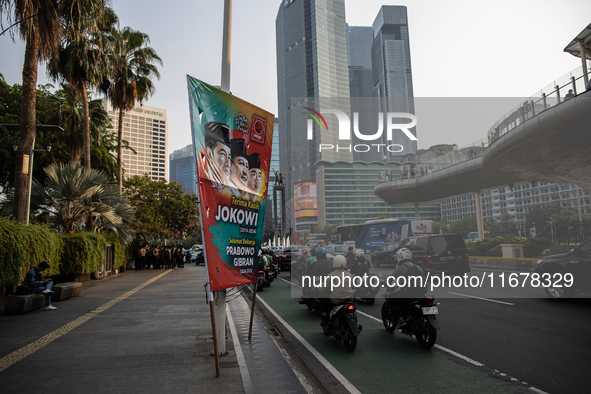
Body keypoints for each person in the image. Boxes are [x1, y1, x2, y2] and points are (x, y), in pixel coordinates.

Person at [386, 251, 426, 329]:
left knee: (391, 302)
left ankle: (401, 320)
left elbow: (390, 278)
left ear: (400, 257)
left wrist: (384, 282)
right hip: (421, 293)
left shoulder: (401, 268)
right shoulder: (417, 267)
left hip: (408, 294)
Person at [320, 255, 354, 326]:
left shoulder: (331, 275)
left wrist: (318, 288)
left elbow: (324, 289)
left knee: (321, 297)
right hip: (349, 299)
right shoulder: (349, 275)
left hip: (336, 300)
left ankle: (325, 318)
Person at [203, 122, 231, 189]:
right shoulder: (204, 184)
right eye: (223, 154)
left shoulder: (230, 192)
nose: (228, 163)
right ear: (209, 154)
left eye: (229, 157)